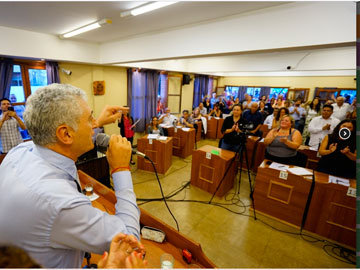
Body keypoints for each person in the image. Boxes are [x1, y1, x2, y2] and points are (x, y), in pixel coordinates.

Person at [0, 84, 143, 268]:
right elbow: (129, 244)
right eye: (90, 118)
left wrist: (97, 122)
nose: (95, 123)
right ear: (66, 133)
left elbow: (64, 142)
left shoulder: (20, 151)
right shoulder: (59, 203)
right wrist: (121, 169)